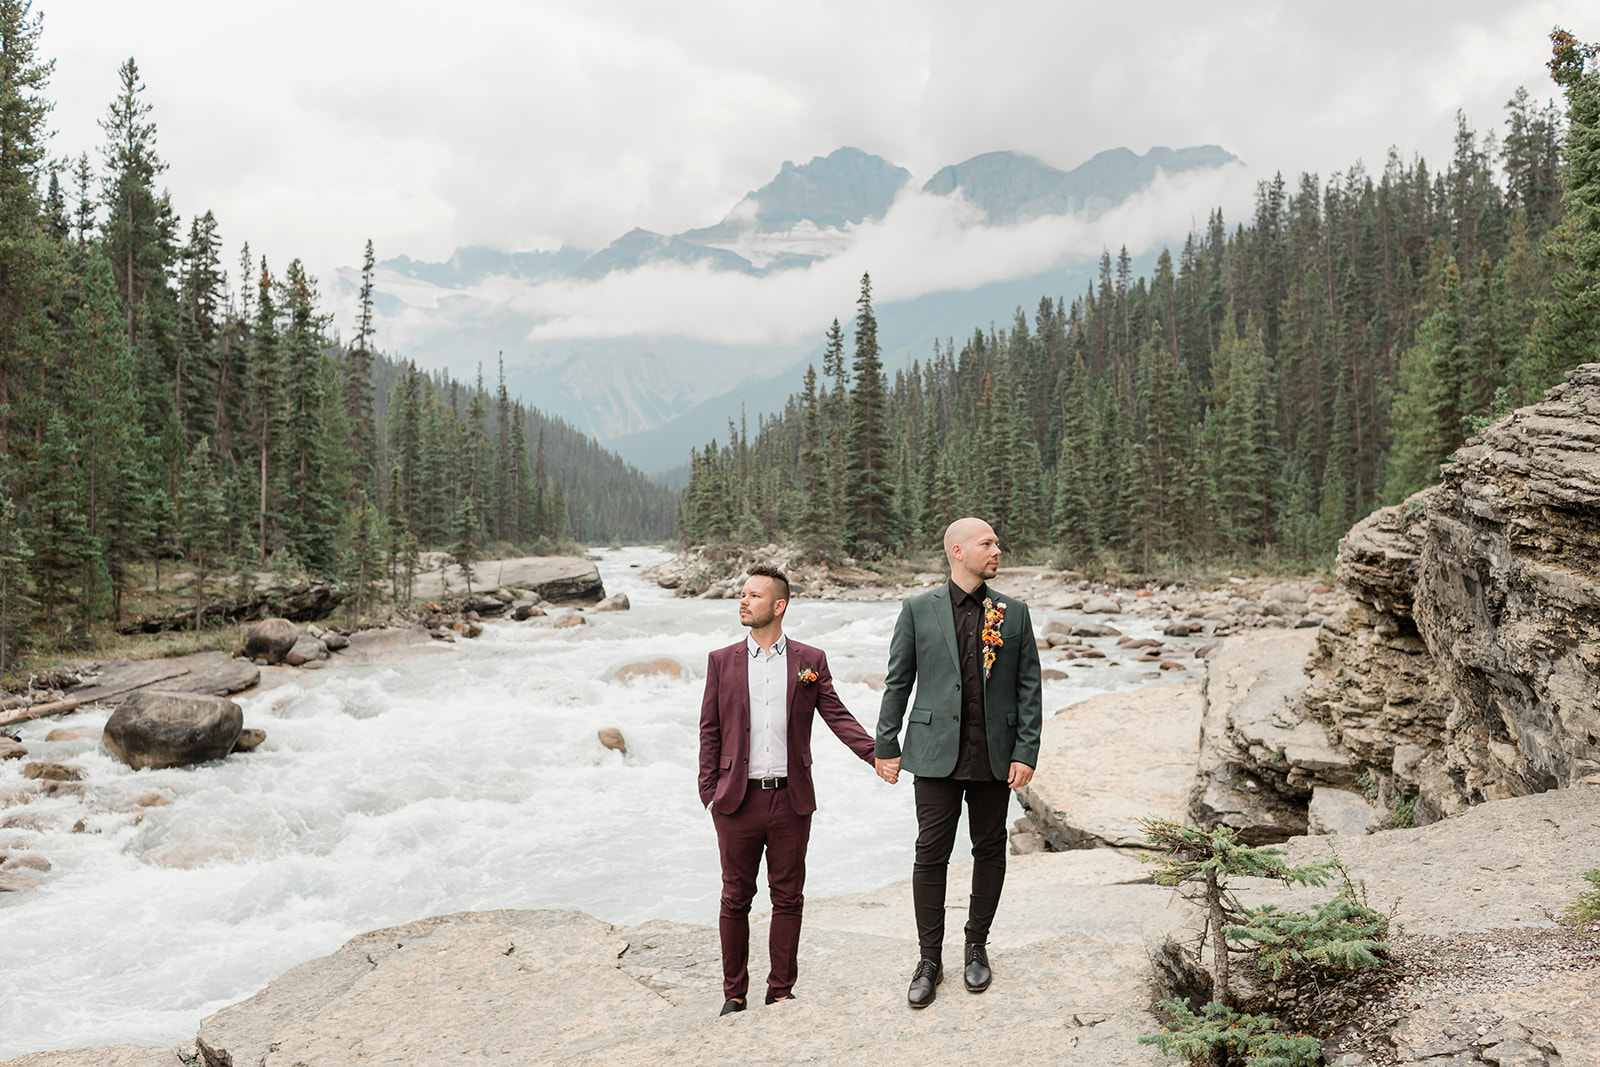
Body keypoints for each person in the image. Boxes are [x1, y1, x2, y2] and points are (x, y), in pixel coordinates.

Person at [873, 517, 1043, 1008]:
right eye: (986, 543)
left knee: (990, 849)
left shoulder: (1014, 612)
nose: (997, 549)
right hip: (933, 753)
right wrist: (886, 745)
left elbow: (1029, 686)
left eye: (996, 542)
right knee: (931, 853)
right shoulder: (916, 608)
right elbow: (897, 681)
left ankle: (976, 947)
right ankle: (929, 960)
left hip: (995, 755)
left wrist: (1025, 750)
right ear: (957, 550)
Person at [698, 563, 879, 1016]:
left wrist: (876, 754)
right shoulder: (721, 661)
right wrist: (709, 791)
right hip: (736, 799)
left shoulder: (809, 661)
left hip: (791, 799)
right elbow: (709, 730)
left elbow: (836, 714)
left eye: (754, 595)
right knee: (734, 898)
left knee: (788, 897)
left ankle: (780, 989)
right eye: (742, 593)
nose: (743, 600)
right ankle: (733, 993)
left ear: (778, 606)